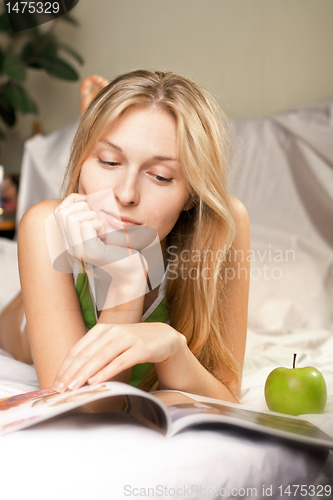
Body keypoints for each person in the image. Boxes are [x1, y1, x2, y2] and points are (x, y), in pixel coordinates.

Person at [0, 70, 250, 403]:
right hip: (21, 328)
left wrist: (173, 349)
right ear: (82, 162)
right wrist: (127, 281)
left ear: (192, 193)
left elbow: (227, 395)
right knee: (19, 321)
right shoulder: (45, 224)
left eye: (160, 176)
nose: (126, 194)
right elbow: (85, 407)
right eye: (109, 160)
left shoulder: (222, 226)